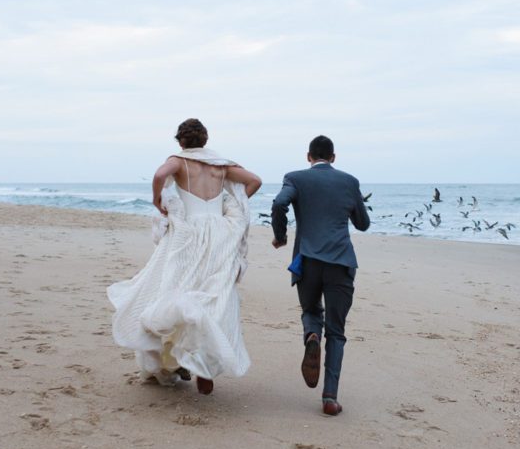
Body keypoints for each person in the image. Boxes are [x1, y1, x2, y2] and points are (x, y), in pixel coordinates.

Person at [108, 118, 261, 395]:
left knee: (176, 287)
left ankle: (178, 359)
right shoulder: (221, 164)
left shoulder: (178, 161)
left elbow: (158, 176)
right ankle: (202, 362)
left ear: (181, 141)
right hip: (218, 232)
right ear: (205, 140)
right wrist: (234, 203)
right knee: (213, 291)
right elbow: (254, 181)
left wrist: (157, 198)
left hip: (188, 233)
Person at [271, 135, 370, 415]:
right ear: (334, 157)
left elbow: (279, 204)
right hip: (340, 262)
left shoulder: (295, 178)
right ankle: (329, 398)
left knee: (311, 310)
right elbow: (362, 224)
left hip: (308, 260)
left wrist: (280, 236)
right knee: (337, 331)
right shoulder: (349, 182)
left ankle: (312, 336)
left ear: (308, 157)